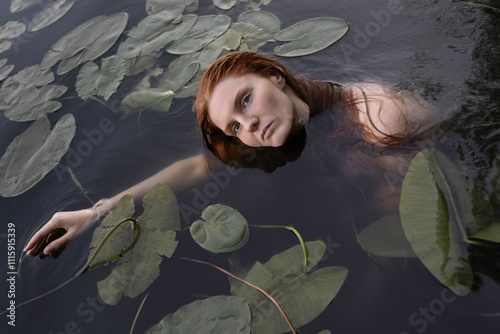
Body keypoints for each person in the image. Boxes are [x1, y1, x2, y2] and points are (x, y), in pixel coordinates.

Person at [24, 51, 436, 256]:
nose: (248, 126)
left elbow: (430, 186)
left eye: (245, 101)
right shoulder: (285, 121)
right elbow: (195, 166)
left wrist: (390, 184)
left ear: (275, 76)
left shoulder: (382, 118)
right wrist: (97, 212)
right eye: (234, 127)